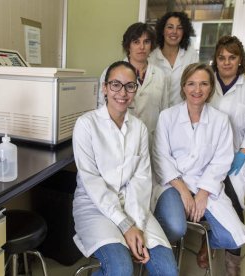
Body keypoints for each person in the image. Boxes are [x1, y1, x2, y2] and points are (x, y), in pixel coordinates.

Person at [73, 61, 178, 276]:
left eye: (130, 86)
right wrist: (125, 225)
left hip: (134, 206)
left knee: (168, 271)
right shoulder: (86, 125)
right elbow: (92, 182)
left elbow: (141, 181)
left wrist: (135, 225)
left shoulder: (139, 129)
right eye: (115, 85)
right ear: (104, 88)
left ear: (136, 90)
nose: (123, 92)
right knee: (121, 270)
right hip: (95, 207)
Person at [151, 63, 245, 275]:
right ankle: (159, 258)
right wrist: (185, 192)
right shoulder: (167, 116)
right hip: (172, 183)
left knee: (233, 236)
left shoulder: (220, 120)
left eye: (204, 84)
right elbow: (161, 157)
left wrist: (203, 193)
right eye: (192, 84)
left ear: (210, 88)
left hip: (204, 182)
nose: (197, 90)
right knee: (177, 227)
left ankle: (206, 246)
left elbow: (221, 161)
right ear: (183, 87)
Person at [209, 35, 245, 274]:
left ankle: (233, 263)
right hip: (207, 157)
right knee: (209, 204)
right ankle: (206, 246)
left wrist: (241, 156)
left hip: (235, 158)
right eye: (221, 57)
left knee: (234, 205)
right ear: (216, 60)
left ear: (240, 60)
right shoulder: (207, 84)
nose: (227, 62)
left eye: (232, 57)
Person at [97, 22, 169, 146]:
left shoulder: (160, 75)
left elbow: (165, 112)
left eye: (146, 42)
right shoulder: (111, 72)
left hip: (151, 141)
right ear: (128, 46)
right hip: (118, 139)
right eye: (136, 42)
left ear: (151, 45)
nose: (141, 47)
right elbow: (102, 108)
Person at [148, 11, 199, 107]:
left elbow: (195, 86)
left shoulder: (192, 56)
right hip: (155, 113)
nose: (174, 32)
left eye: (179, 28)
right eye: (170, 27)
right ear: (163, 31)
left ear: (184, 32)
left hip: (182, 113)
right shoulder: (151, 56)